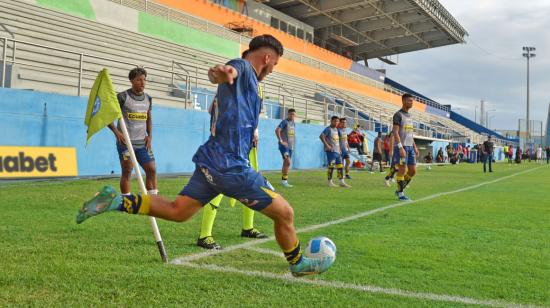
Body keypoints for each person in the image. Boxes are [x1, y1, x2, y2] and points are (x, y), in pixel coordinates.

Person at [76, 34, 332, 276]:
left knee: (179, 211)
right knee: (285, 213)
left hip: (213, 159)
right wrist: (220, 73)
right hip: (230, 166)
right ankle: (298, 264)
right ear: (267, 58)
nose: (273, 69)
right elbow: (225, 71)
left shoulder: (250, 81)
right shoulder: (242, 69)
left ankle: (116, 201)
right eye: (274, 64)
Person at [196, 94, 267, 250]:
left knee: (250, 185)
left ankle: (248, 228)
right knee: (217, 188)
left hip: (245, 146)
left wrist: (254, 132)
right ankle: (205, 235)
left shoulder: (252, 87)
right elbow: (213, 110)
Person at [108, 68, 157, 198]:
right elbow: (107, 117)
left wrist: (150, 135)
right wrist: (117, 133)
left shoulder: (148, 98)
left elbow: (149, 118)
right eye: (139, 80)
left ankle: (152, 200)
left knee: (151, 170)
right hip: (126, 143)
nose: (142, 82)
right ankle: (127, 201)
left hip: (142, 143)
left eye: (144, 79)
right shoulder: (122, 97)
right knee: (127, 171)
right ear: (131, 81)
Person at [392, 93, 419, 201]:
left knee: (412, 171)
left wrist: (415, 147)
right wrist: (400, 147)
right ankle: (401, 193)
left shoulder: (410, 116)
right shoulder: (398, 115)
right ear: (403, 101)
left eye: (412, 101)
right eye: (409, 101)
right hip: (402, 147)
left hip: (410, 147)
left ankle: (399, 189)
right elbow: (395, 132)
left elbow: (409, 133)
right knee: (402, 170)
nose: (411, 103)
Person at [320, 116, 350, 188]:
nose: (336, 123)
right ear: (331, 121)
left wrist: (339, 148)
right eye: (335, 121)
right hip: (331, 151)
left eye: (337, 121)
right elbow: (321, 136)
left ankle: (341, 182)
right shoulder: (328, 129)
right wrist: (327, 145)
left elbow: (338, 140)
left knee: (340, 166)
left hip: (337, 151)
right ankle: (330, 182)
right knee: (331, 166)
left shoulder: (337, 129)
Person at [275, 108, 296, 187]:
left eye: (293, 114)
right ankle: (284, 181)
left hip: (290, 147)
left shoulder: (293, 123)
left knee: (286, 163)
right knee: (288, 162)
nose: (292, 115)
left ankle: (284, 181)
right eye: (290, 114)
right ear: (288, 114)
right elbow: (277, 130)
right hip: (284, 146)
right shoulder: (284, 122)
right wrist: (281, 141)